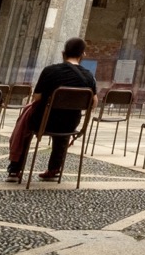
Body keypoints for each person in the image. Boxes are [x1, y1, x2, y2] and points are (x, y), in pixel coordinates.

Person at [7, 38, 98, 183]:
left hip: (43, 121)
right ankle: (54, 168)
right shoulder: (89, 77)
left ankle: (15, 169)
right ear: (83, 55)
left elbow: (36, 97)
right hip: (70, 124)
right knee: (64, 124)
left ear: (63, 53)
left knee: (27, 122)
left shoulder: (50, 71)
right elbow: (93, 103)